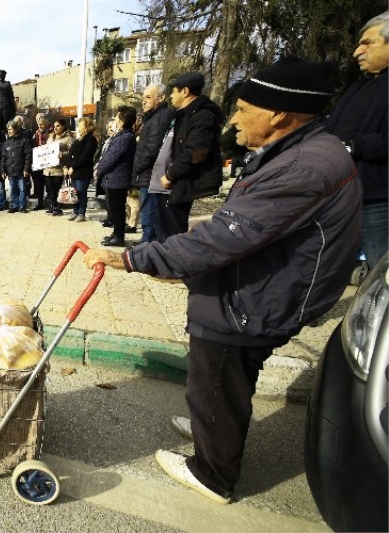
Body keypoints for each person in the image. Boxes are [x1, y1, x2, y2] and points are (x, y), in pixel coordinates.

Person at [84, 57, 362, 504]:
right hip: (258, 284)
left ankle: (212, 472)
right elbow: (255, 222)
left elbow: (223, 242)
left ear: (278, 114)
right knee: (228, 377)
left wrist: (132, 259)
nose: (233, 119)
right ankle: (212, 428)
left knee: (215, 376)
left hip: (250, 299)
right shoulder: (306, 151)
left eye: (242, 108)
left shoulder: (305, 165)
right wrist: (217, 225)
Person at [325, 10, 389, 270]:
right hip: (348, 194)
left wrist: (354, 147)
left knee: (381, 272)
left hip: (380, 198)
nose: (356, 52)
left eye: (367, 43)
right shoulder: (361, 84)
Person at [157, 72, 223, 239]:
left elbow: (196, 152)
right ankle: (164, 259)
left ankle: (172, 262)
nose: (171, 95)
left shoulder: (202, 115)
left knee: (173, 229)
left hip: (183, 180)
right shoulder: (183, 115)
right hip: (175, 180)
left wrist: (171, 174)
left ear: (185, 91)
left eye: (174, 90)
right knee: (165, 224)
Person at [134, 83, 175, 243]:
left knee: (150, 212)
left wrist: (137, 167)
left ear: (161, 98)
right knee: (148, 211)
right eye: (143, 97)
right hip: (148, 174)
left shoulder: (161, 117)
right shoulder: (152, 117)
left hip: (152, 174)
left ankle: (148, 246)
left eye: (149, 97)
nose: (144, 101)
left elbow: (152, 148)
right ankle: (147, 242)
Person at [95, 107, 137, 247]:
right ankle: (116, 234)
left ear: (122, 120)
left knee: (117, 209)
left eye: (117, 117)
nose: (115, 121)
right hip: (113, 179)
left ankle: (119, 237)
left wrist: (99, 170)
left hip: (117, 179)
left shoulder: (125, 137)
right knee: (114, 208)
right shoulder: (123, 135)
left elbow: (111, 157)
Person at [65, 117, 99, 222]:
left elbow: (85, 156)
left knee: (81, 193)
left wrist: (73, 167)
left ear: (87, 126)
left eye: (80, 125)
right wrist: (67, 166)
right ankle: (75, 211)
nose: (78, 127)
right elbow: (71, 154)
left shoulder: (90, 139)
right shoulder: (79, 139)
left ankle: (81, 212)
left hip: (82, 172)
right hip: (73, 171)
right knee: (74, 193)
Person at [43, 118, 74, 217]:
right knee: (50, 189)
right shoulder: (51, 137)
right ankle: (52, 206)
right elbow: (45, 150)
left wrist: (63, 154)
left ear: (63, 126)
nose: (55, 128)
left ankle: (58, 207)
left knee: (57, 189)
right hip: (48, 169)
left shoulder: (69, 138)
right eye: (54, 126)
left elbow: (72, 153)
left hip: (59, 169)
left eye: (58, 126)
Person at [0, 120, 32, 213]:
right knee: (13, 189)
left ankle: (22, 206)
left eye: (10, 129)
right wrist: (3, 171)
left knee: (22, 190)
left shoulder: (24, 140)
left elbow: (28, 155)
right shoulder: (6, 143)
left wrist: (26, 169)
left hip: (21, 170)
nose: (8, 131)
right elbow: (3, 158)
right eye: (8, 129)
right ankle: (14, 205)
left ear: (16, 129)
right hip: (10, 171)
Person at [31, 114, 52, 210]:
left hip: (49, 162)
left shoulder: (52, 132)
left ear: (47, 123)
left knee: (49, 184)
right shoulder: (36, 134)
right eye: (39, 124)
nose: (40, 126)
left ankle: (51, 203)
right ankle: (40, 203)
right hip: (38, 163)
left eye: (42, 124)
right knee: (38, 184)